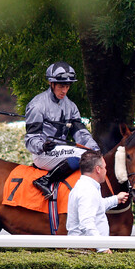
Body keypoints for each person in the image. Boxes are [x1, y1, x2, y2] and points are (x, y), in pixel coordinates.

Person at [24, 61, 100, 200]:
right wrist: (42, 145)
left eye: (67, 86)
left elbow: (80, 133)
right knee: (83, 156)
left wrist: (94, 148)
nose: (64, 91)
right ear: (51, 84)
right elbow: (30, 139)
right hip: (43, 153)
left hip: (62, 152)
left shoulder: (70, 106)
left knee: (90, 154)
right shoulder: (37, 105)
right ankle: (45, 180)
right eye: (61, 86)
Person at [66, 151, 129, 253]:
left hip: (87, 248)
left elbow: (97, 206)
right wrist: (102, 248)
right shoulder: (87, 190)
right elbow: (86, 223)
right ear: (98, 169)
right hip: (86, 251)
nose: (106, 170)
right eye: (104, 167)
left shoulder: (86, 187)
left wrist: (116, 199)